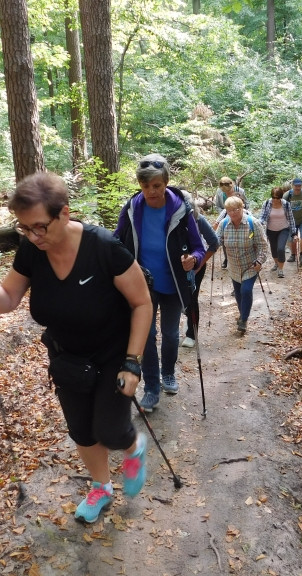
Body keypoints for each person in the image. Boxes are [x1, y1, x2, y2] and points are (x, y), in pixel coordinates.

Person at [0, 172, 153, 525]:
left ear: (64, 213)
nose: (33, 236)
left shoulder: (104, 247)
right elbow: (8, 300)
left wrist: (133, 362)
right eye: (24, 229)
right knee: (81, 429)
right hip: (67, 356)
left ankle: (133, 447)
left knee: (110, 430)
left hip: (114, 353)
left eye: (39, 227)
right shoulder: (32, 250)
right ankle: (101, 487)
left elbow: (142, 303)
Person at [114, 155, 205, 412]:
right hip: (143, 284)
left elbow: (199, 248)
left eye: (157, 186)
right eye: (146, 186)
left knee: (169, 333)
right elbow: (116, 240)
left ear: (166, 183)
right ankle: (152, 387)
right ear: (140, 186)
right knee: (146, 335)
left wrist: (193, 260)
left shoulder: (181, 209)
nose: (151, 191)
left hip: (173, 283)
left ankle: (168, 373)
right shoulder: (133, 208)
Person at [217, 196, 269, 334]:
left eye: (236, 209)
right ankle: (242, 315)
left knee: (246, 291)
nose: (233, 213)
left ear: (242, 208)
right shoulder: (223, 224)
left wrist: (259, 261)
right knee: (239, 294)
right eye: (229, 210)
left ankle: (244, 320)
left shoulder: (253, 223)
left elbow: (263, 246)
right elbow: (216, 241)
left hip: (250, 265)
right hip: (233, 266)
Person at [180, 192, 219, 348]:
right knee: (176, 298)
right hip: (175, 266)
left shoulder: (198, 219)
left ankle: (191, 334)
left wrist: (200, 264)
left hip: (195, 265)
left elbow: (214, 242)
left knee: (191, 298)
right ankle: (186, 314)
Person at [258, 187, 297, 278]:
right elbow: (262, 217)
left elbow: (291, 219)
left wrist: (294, 233)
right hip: (270, 230)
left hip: (283, 229)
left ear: (281, 197)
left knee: (280, 249)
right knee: (274, 250)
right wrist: (258, 224)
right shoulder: (267, 203)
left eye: (277, 197)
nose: (275, 199)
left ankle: (281, 269)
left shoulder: (286, 205)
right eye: (273, 197)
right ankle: (276, 263)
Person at [214, 177, 246, 269]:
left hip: (239, 215)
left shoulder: (240, 191)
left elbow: (246, 203)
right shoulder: (219, 192)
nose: (225, 191)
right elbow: (218, 205)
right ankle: (227, 258)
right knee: (225, 239)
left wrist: (241, 212)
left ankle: (241, 257)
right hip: (225, 215)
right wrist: (226, 212)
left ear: (231, 185)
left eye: (227, 189)